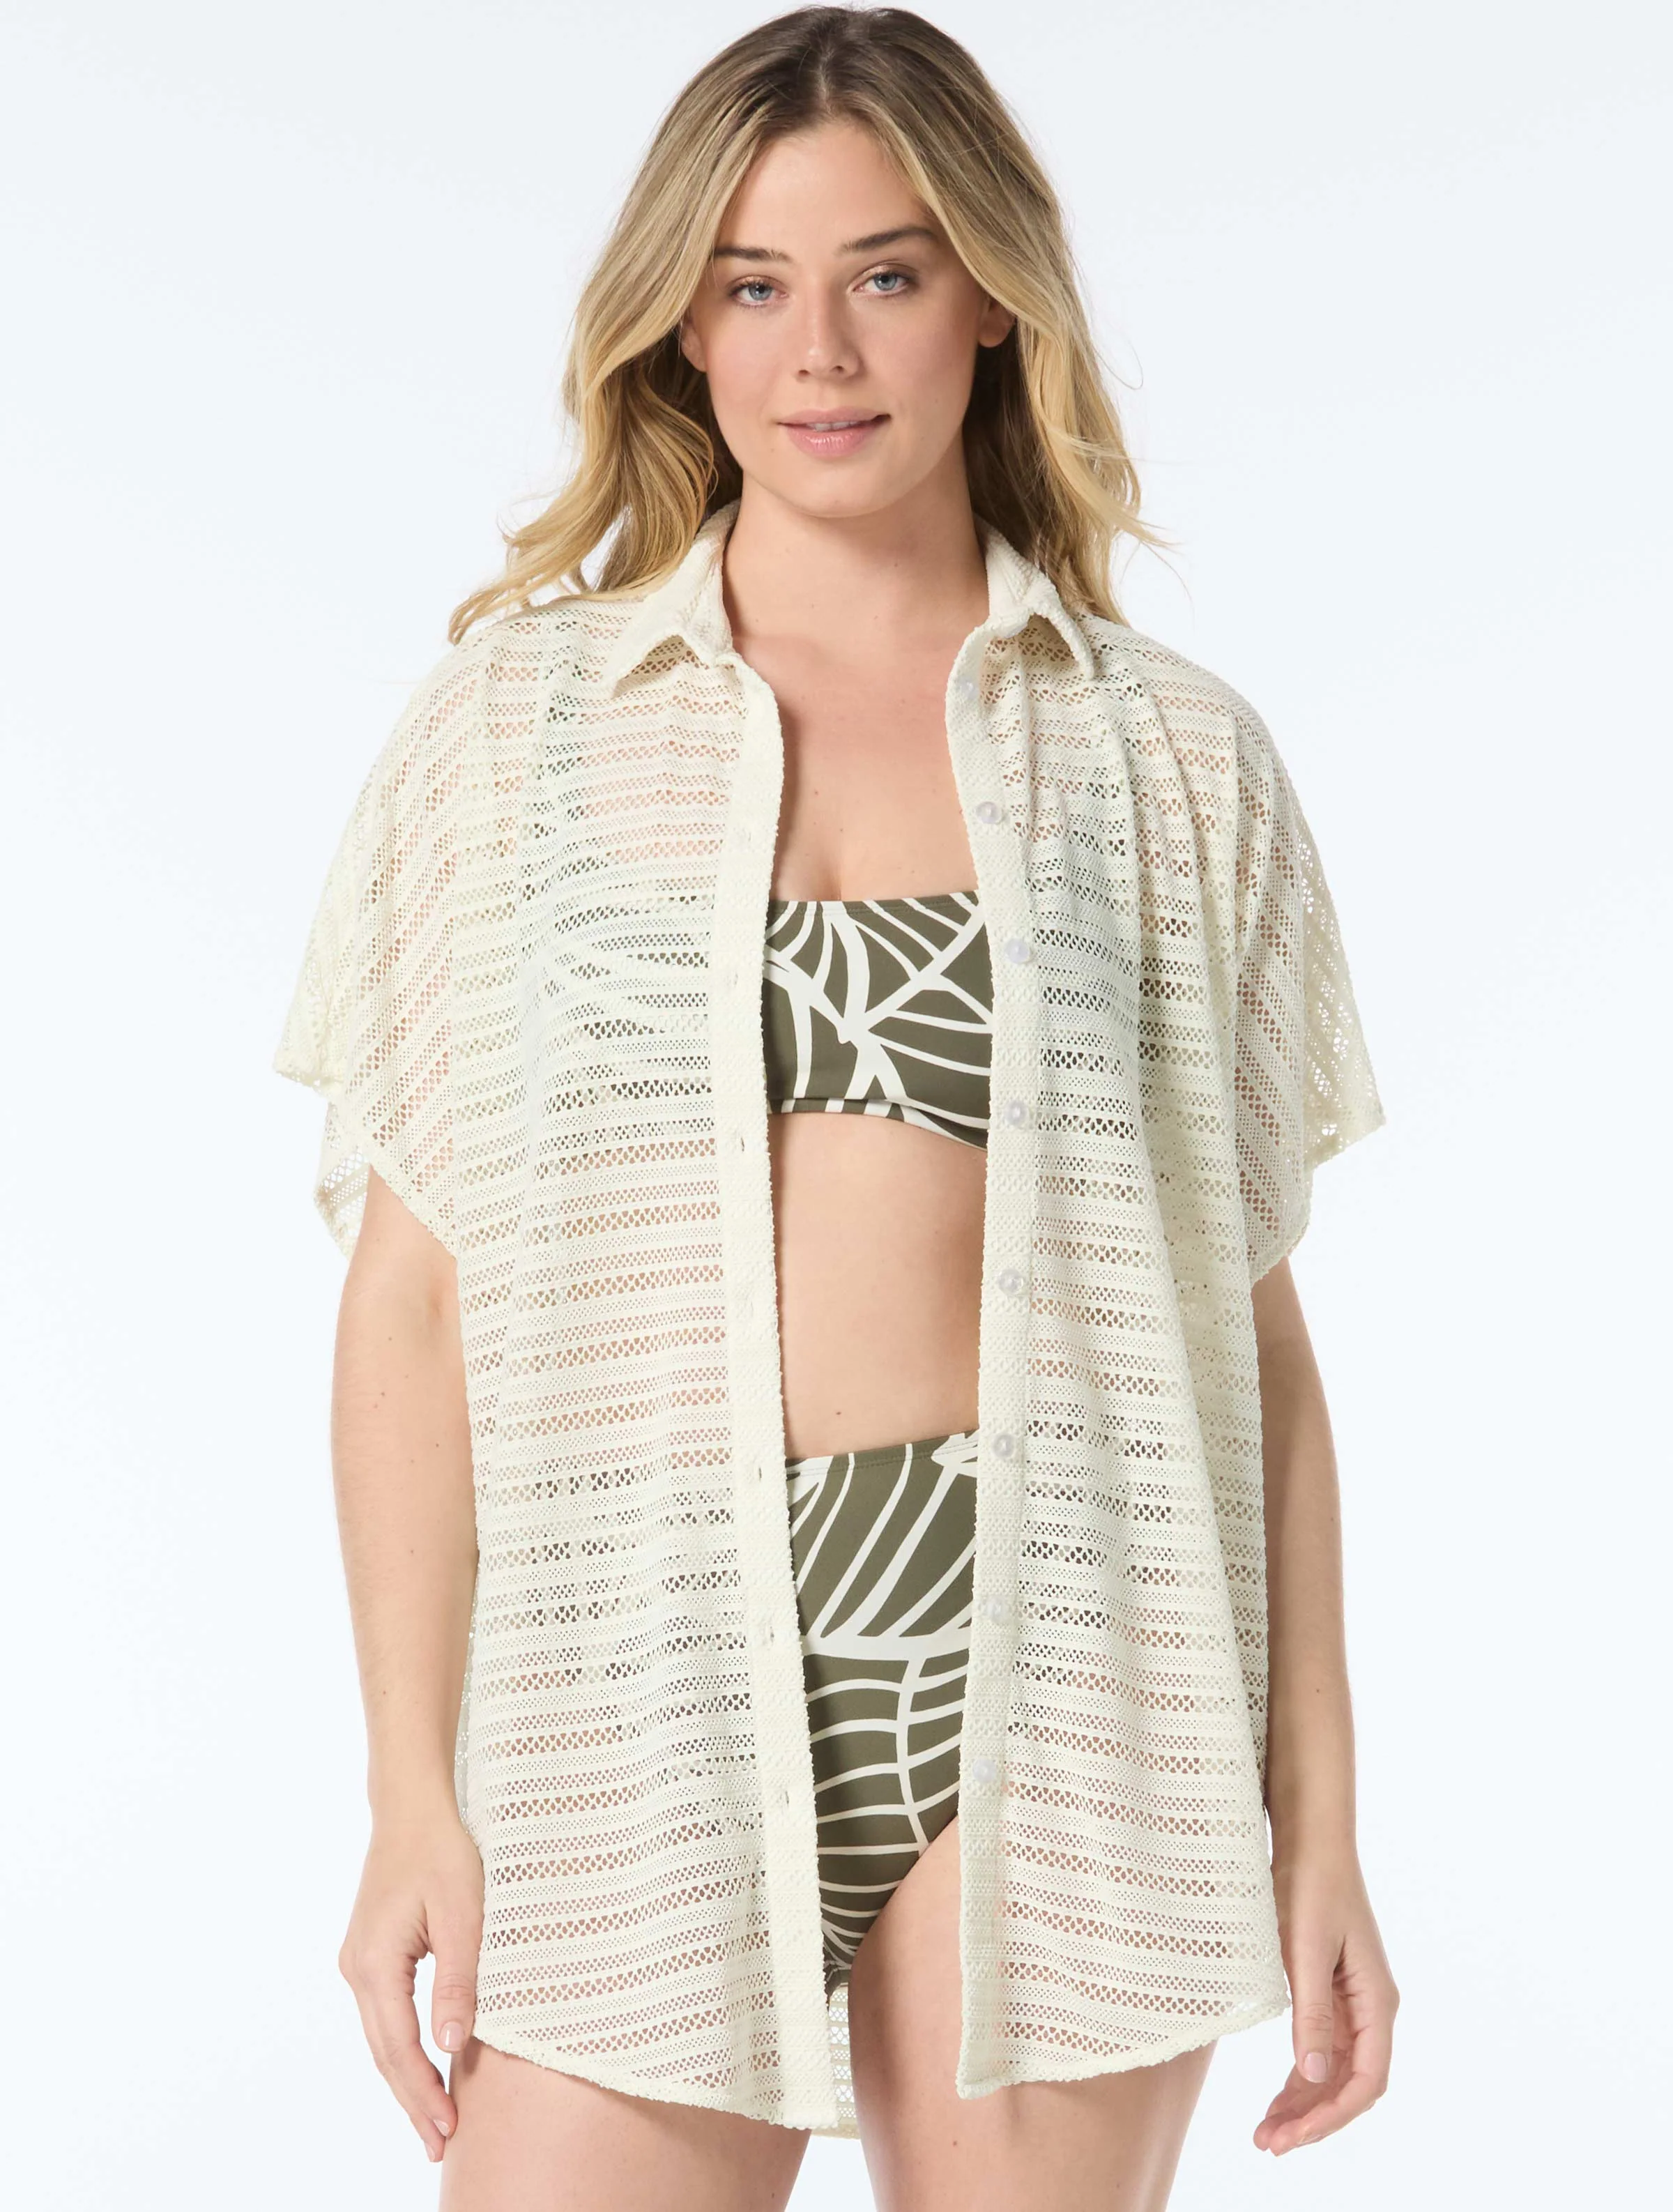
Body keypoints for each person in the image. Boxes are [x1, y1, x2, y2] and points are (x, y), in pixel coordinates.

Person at [272, 8, 1399, 2207]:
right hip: (641, 1671)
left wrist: (1323, 1817)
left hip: (1066, 1669)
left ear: (990, 294)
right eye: (754, 284)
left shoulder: (1168, 758)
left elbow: (1248, 1332)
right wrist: (410, 1785)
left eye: (887, 271)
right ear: (681, 325)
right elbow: (412, 1298)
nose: (822, 350)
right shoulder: (516, 736)